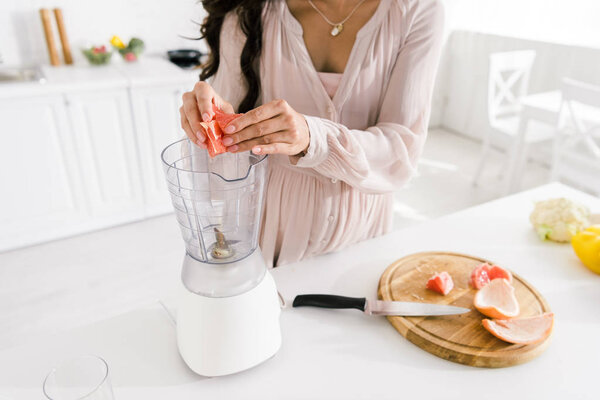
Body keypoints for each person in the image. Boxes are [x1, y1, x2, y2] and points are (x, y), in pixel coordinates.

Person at [179, 0, 445, 267]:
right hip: (269, 231)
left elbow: (401, 152)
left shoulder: (417, 11)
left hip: (363, 232)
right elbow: (222, 165)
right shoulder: (248, 12)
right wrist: (208, 125)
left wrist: (314, 138)